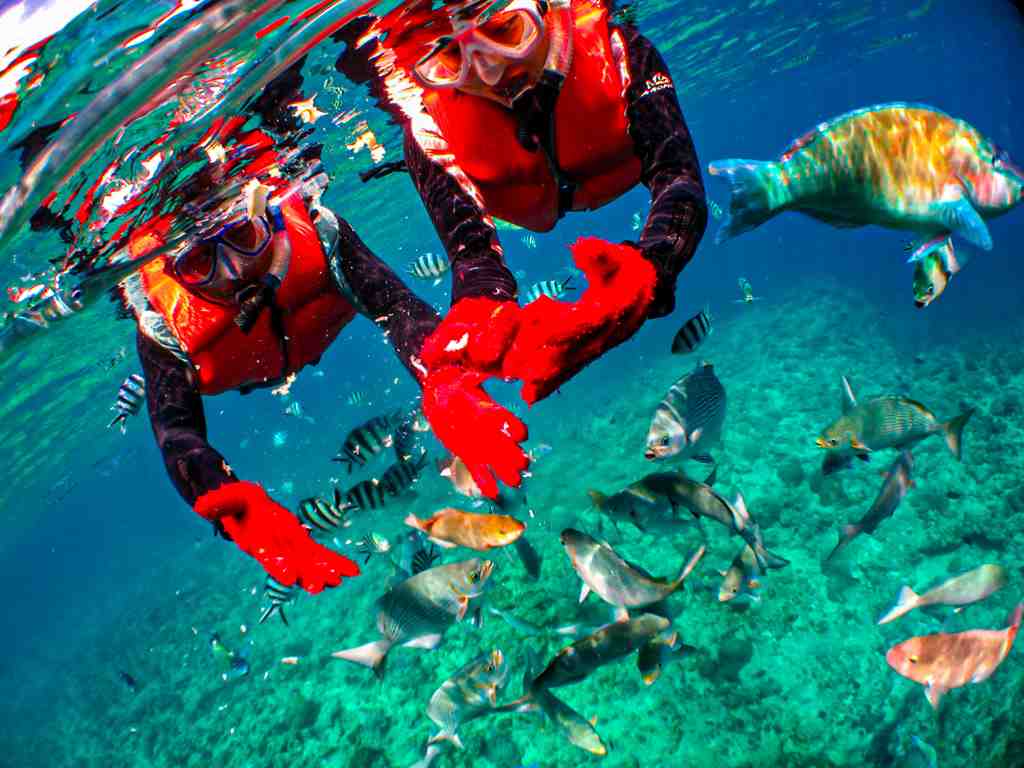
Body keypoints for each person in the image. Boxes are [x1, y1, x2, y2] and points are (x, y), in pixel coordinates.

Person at [336, 0, 708, 497]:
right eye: (448, 58)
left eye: (506, 29)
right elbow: (476, 265)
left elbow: (678, 178)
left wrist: (650, 270)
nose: (488, 70)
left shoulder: (622, 54)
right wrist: (445, 370)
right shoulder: (428, 125)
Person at [117, 116, 444, 594]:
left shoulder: (316, 229)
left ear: (264, 214)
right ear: (171, 269)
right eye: (197, 262)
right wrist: (221, 496)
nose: (232, 272)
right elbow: (176, 434)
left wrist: (444, 377)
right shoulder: (163, 322)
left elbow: (397, 307)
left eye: (243, 236)